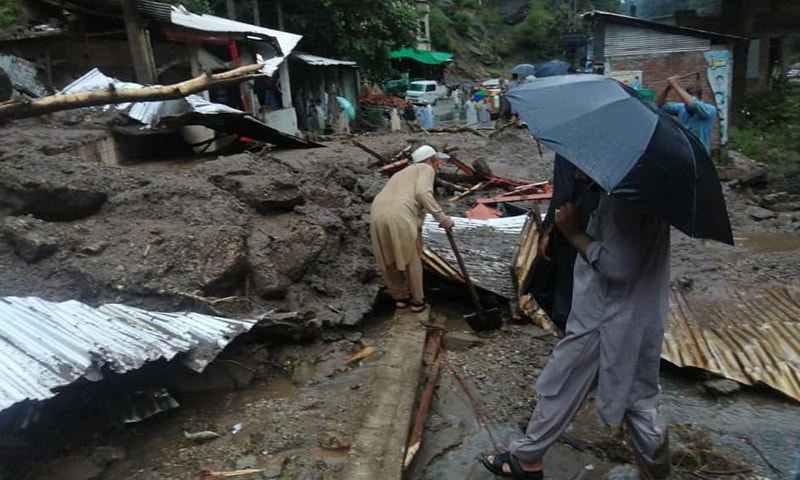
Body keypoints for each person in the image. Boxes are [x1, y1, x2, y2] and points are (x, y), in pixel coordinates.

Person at [482, 189, 672, 480]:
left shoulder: (621, 200)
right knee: (640, 400)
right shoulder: (652, 193)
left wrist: (572, 232)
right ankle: (656, 474)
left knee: (562, 381)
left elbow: (617, 265)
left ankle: (527, 457)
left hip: (605, 318)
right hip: (641, 315)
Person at [369, 145, 454, 312]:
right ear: (431, 160)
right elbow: (422, 194)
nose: (438, 166)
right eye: (438, 162)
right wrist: (442, 218)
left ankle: (400, 298)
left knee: (388, 259)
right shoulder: (425, 168)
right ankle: (417, 301)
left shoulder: (400, 173)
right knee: (411, 257)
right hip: (400, 214)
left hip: (377, 213)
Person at [525, 156, 600, 331]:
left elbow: (564, 188)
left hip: (575, 218)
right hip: (597, 218)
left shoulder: (571, 141)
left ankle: (569, 329)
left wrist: (549, 227)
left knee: (563, 282)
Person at [657, 75, 717, 154]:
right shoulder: (682, 108)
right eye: (685, 100)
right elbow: (659, 105)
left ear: (699, 99)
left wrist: (675, 85)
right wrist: (669, 87)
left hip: (700, 153)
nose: (687, 104)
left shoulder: (710, 110)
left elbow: (693, 104)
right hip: (683, 152)